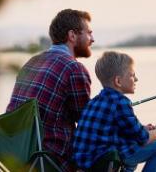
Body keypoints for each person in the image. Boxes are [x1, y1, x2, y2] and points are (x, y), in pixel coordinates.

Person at [6, 9, 94, 172]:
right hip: (51, 160)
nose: (93, 39)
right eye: (89, 33)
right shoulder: (73, 68)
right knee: (116, 151)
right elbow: (87, 123)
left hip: (18, 158)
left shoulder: (32, 62)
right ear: (72, 36)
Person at [72, 51, 156, 172]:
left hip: (86, 164)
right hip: (103, 164)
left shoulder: (94, 102)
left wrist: (142, 128)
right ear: (118, 81)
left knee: (130, 144)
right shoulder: (121, 102)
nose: (136, 79)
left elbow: (112, 131)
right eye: (132, 75)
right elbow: (144, 138)